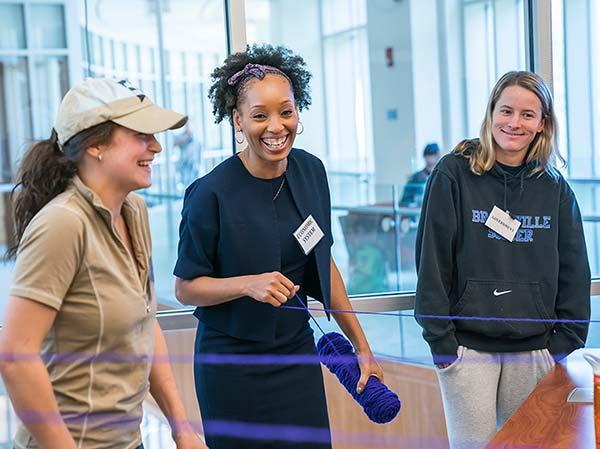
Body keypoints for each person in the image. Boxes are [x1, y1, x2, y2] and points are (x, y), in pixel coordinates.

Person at [174, 44, 383, 449]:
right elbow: (185, 288)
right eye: (259, 115)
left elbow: (323, 260)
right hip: (231, 367)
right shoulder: (209, 193)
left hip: (296, 355)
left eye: (286, 111)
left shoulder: (311, 172)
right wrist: (247, 284)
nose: (275, 126)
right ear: (237, 120)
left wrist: (361, 345)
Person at [0, 78, 208, 449]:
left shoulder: (133, 211)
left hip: (127, 441)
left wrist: (182, 429)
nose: (157, 146)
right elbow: (15, 357)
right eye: (141, 135)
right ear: (95, 145)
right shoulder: (62, 223)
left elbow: (146, 325)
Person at [414, 71, 590, 449]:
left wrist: (562, 346)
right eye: (506, 110)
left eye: (528, 114)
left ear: (542, 123)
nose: (514, 123)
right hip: (467, 352)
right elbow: (432, 263)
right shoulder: (453, 174)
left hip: (535, 352)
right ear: (491, 112)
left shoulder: (555, 189)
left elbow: (575, 273)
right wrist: (443, 345)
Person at [400, 142, 441, 208]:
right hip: (418, 211)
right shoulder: (416, 178)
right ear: (425, 157)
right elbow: (404, 201)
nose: (435, 158)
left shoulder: (443, 177)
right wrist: (414, 204)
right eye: (430, 155)